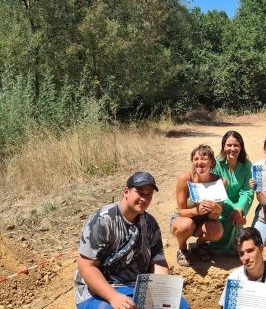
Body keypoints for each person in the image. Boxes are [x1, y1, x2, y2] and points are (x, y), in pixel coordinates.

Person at [74, 171, 189, 309]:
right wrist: (113, 297)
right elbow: (87, 267)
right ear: (126, 191)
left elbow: (157, 260)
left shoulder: (150, 223)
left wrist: (161, 292)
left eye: (149, 195)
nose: (144, 199)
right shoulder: (101, 221)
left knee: (180, 306)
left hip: (137, 286)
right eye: (140, 192)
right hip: (101, 288)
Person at [170, 144, 224, 266]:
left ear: (212, 162)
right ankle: (182, 248)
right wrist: (196, 211)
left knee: (217, 231)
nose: (199, 162)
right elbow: (181, 211)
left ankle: (201, 243)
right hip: (184, 219)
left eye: (204, 159)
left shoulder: (219, 182)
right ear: (192, 162)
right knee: (186, 225)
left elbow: (213, 218)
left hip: (204, 222)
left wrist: (216, 210)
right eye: (196, 159)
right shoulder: (185, 178)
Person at [219, 227, 266, 309]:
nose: (246, 258)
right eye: (241, 253)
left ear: (261, 249)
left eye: (250, 251)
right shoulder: (234, 278)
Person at [210, 131, 254, 254]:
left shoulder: (247, 165)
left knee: (235, 222)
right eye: (229, 145)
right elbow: (218, 194)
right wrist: (235, 211)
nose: (232, 149)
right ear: (223, 146)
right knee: (226, 224)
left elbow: (247, 191)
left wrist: (240, 209)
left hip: (240, 207)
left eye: (236, 145)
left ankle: (238, 246)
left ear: (241, 147)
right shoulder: (216, 164)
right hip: (220, 206)